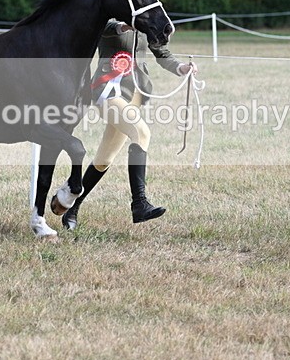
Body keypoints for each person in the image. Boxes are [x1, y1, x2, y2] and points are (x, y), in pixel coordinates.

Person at [62, 19, 196, 229]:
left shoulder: (146, 19)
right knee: (141, 133)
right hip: (107, 90)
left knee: (104, 159)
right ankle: (139, 203)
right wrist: (125, 26)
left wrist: (181, 67)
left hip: (134, 95)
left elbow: (161, 52)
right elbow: (105, 27)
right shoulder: (112, 15)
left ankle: (71, 207)